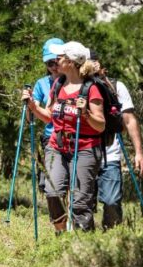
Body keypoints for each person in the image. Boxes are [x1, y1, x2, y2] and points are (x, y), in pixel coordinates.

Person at [22, 41, 105, 232]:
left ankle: (83, 245)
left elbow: (100, 125)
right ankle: (60, 234)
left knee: (80, 203)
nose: (55, 62)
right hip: (57, 146)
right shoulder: (58, 85)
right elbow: (50, 116)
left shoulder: (91, 88)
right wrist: (33, 107)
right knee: (52, 192)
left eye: (59, 58)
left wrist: (85, 113)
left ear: (71, 62)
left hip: (85, 148)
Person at [89, 51, 143, 228]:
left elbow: (129, 119)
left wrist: (139, 152)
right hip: (84, 151)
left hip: (110, 153)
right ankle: (84, 244)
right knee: (83, 204)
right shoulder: (76, 86)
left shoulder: (116, 86)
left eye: (94, 62)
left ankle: (112, 240)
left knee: (112, 202)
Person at [30, 38, 64, 193]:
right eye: (50, 64)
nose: (54, 67)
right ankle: (58, 216)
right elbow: (35, 109)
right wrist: (30, 105)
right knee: (50, 185)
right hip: (50, 138)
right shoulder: (41, 84)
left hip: (74, 137)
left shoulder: (75, 82)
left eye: (57, 62)